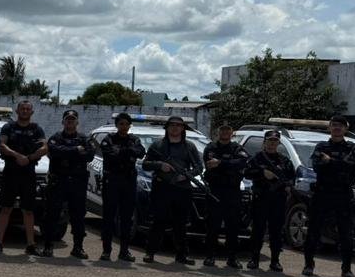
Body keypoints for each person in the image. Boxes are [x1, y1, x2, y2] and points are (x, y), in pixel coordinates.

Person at [303, 115, 355, 277]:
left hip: (343, 194)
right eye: (334, 125)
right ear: (329, 127)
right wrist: (339, 164)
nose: (337, 128)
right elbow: (317, 167)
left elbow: (353, 165)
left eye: (341, 126)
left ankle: (347, 269)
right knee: (314, 230)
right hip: (323, 193)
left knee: (346, 234)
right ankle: (308, 264)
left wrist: (330, 162)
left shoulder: (353, 147)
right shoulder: (321, 146)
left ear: (346, 129)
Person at [142, 116, 202, 265]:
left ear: (183, 128)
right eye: (172, 125)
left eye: (178, 125)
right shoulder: (157, 145)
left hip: (182, 189)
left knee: (180, 224)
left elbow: (198, 167)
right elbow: (146, 164)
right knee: (158, 221)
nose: (175, 128)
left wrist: (185, 176)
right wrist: (160, 165)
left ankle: (182, 255)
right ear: (167, 127)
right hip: (162, 187)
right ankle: (150, 253)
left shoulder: (190, 146)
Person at [0, 99, 48, 255]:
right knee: (6, 208)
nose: (25, 111)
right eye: (22, 109)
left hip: (28, 173)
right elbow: (2, 145)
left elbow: (45, 147)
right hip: (10, 172)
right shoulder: (8, 127)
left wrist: (29, 158)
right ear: (17, 111)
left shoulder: (37, 129)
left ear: (31, 112)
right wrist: (17, 155)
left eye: (27, 109)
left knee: (28, 210)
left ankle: (30, 245)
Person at [42, 109, 94, 258]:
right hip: (58, 182)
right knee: (52, 215)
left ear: (77, 122)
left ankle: (78, 247)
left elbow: (89, 155)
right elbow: (54, 151)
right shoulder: (55, 137)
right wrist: (76, 151)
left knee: (78, 216)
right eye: (67, 119)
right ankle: (48, 246)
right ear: (63, 121)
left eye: (73, 119)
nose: (70, 121)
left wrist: (67, 152)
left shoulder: (84, 139)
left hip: (77, 184)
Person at [244, 129, 295, 272]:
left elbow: (291, 177)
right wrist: (262, 173)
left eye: (275, 141)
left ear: (278, 143)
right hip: (261, 198)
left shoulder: (284, 160)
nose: (272, 144)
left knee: (276, 231)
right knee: (258, 230)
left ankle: (275, 261)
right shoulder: (257, 158)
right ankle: (254, 259)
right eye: (270, 141)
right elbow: (247, 172)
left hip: (278, 199)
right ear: (264, 142)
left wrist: (288, 186)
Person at [97, 112, 145, 261]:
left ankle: (124, 251)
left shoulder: (134, 139)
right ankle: (106, 251)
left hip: (128, 181)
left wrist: (121, 152)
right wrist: (128, 153)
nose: (124, 127)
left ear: (130, 125)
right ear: (117, 125)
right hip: (112, 181)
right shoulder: (109, 139)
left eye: (126, 124)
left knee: (126, 218)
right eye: (121, 124)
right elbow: (109, 155)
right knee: (109, 217)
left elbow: (141, 153)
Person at [201, 122, 250, 268]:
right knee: (212, 226)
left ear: (232, 132)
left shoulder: (237, 148)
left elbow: (242, 162)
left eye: (227, 130)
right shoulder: (211, 148)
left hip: (232, 191)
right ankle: (210, 256)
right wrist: (229, 165)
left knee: (233, 227)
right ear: (218, 132)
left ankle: (232, 258)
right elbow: (210, 164)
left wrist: (221, 163)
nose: (225, 133)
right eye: (222, 130)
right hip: (215, 190)